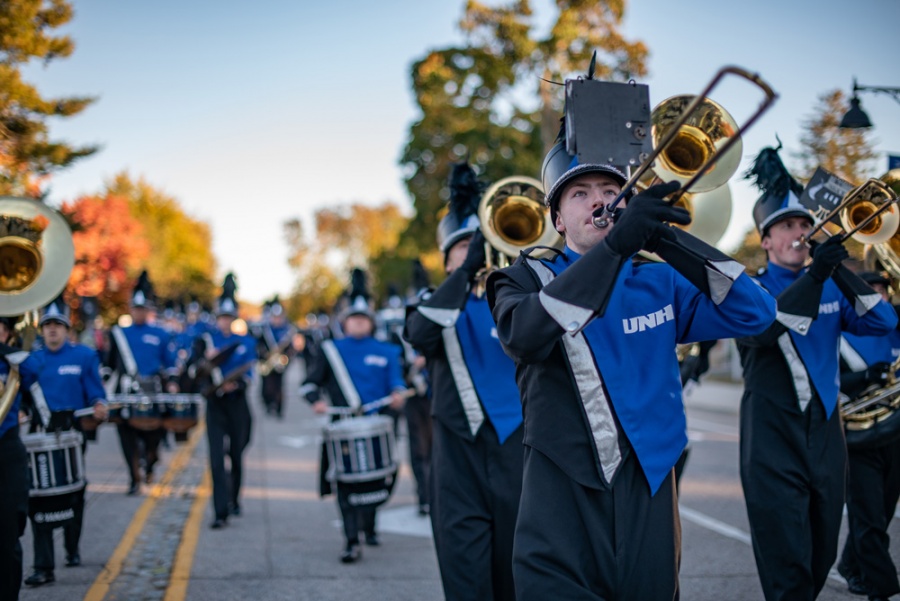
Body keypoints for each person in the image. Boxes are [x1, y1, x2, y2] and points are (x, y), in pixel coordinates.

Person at [486, 123, 778, 597]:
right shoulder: (520, 278)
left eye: (609, 190)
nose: (598, 201)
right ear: (557, 218)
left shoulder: (657, 279)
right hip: (561, 490)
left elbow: (757, 312)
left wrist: (664, 240)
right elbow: (525, 335)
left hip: (649, 483)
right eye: (579, 193)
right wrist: (620, 245)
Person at [737, 146, 898, 601]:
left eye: (805, 225)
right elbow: (767, 327)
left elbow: (884, 323)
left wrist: (840, 269)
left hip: (826, 435)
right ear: (765, 240)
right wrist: (817, 276)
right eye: (787, 226)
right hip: (772, 438)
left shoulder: (827, 280)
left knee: (821, 553)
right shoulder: (749, 288)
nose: (799, 234)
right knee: (786, 565)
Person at [405, 162, 524, 601]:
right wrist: (463, 275)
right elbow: (419, 336)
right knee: (466, 580)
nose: (475, 252)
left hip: (519, 449)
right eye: (463, 248)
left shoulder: (518, 297)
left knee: (519, 575)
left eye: (480, 243)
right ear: (447, 258)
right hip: (458, 456)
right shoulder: (433, 303)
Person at [301, 269, 408, 564]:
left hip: (377, 424)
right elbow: (309, 384)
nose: (358, 323)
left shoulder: (387, 350)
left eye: (363, 319)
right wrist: (315, 402)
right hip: (342, 427)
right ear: (345, 322)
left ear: (371, 322)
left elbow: (396, 382)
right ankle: (351, 540)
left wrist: (398, 394)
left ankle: (370, 528)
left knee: (375, 476)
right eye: (353, 318)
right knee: (345, 482)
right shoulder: (329, 350)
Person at [17, 295, 107, 587]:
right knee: (39, 495)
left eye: (58, 325)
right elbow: (21, 397)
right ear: (41, 330)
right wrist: (19, 411)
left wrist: (99, 404)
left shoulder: (83, 356)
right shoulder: (31, 361)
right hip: (39, 434)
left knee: (73, 489)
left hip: (71, 433)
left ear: (67, 328)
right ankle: (44, 566)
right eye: (47, 326)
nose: (52, 330)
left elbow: (95, 390)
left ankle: (72, 546)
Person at [835, 270, 900, 601]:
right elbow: (830, 383)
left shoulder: (894, 329)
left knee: (881, 513)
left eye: (882, 291)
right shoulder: (842, 332)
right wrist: (864, 377)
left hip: (894, 434)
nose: (878, 296)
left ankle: (850, 563)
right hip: (858, 439)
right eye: (870, 290)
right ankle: (883, 585)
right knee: (869, 516)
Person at [105, 271, 178, 494]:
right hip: (126, 390)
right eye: (135, 309)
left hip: (153, 389)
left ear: (148, 310)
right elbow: (108, 363)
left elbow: (170, 363)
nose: (139, 313)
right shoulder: (118, 333)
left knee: (153, 436)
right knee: (126, 434)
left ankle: (150, 462)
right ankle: (134, 477)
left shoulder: (161, 334)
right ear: (130, 309)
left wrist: (173, 382)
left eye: (142, 309)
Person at [203, 273, 257, 529]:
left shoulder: (246, 342)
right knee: (215, 459)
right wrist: (205, 361)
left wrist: (238, 382)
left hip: (238, 403)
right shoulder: (205, 340)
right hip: (215, 405)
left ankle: (234, 499)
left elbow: (251, 373)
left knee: (236, 454)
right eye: (221, 317)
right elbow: (193, 372)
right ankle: (219, 511)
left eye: (229, 317)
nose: (225, 322)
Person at [0, 316, 29, 600]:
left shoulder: (14, 362)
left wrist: (8, 353)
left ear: (8, 333)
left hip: (6, 450)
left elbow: (37, 369)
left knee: (8, 534)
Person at [254, 296, 296, 419]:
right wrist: (264, 354)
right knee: (266, 386)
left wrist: (285, 358)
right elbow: (258, 345)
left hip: (280, 363)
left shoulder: (287, 331)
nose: (277, 319)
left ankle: (278, 408)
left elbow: (291, 349)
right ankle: (268, 404)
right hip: (266, 361)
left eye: (279, 317)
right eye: (274, 317)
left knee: (279, 386)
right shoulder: (264, 330)